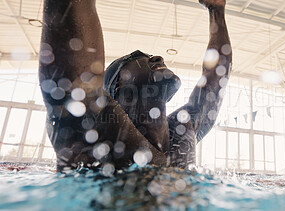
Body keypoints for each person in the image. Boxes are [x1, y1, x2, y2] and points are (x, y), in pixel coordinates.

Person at [39, 0, 232, 172]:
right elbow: (75, 86)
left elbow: (217, 79)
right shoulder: (102, 132)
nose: (158, 57)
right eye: (138, 57)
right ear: (117, 85)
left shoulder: (182, 129)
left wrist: (216, 9)